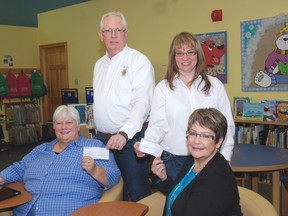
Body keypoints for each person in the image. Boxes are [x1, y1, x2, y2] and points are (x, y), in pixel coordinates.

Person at [134, 32, 235, 180]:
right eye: (179, 53)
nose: (185, 58)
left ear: (198, 55)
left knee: (209, 201)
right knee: (177, 202)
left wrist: (225, 157)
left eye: (190, 52)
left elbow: (228, 126)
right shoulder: (163, 89)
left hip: (210, 159)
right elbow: (157, 125)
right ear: (173, 58)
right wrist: (146, 145)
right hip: (174, 161)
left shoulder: (215, 86)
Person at [0, 105, 121, 216]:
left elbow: (114, 176)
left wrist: (94, 170)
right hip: (26, 211)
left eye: (69, 122)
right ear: (53, 127)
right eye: (58, 123)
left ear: (78, 126)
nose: (63, 127)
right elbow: (19, 168)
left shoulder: (94, 146)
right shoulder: (41, 149)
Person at [92, 11, 155, 201]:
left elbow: (142, 103)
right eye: (108, 30)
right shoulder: (98, 65)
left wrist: (124, 133)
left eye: (118, 30)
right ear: (100, 35)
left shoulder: (139, 61)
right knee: (107, 192)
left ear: (126, 33)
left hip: (130, 141)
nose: (113, 35)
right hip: (103, 141)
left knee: (137, 194)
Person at [151, 108, 242, 216]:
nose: (197, 141)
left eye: (206, 136)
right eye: (193, 133)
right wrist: (164, 179)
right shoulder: (193, 161)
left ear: (219, 141)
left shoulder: (216, 178)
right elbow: (183, 196)